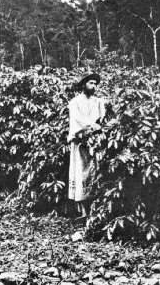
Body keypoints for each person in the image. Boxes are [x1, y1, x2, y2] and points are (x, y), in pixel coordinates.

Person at [68, 73, 106, 217]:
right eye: (91, 83)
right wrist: (91, 126)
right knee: (80, 173)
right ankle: (82, 210)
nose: (94, 86)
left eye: (96, 84)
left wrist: (99, 128)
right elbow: (77, 120)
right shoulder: (74, 102)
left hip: (95, 142)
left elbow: (102, 119)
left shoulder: (98, 101)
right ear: (84, 84)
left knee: (94, 173)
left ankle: (94, 209)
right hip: (80, 142)